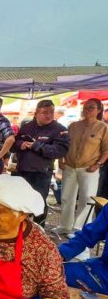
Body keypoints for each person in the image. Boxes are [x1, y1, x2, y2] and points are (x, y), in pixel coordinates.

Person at [12, 99, 69, 226]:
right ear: (37, 112)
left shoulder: (59, 129)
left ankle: (39, 230)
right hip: (22, 171)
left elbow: (60, 151)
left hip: (41, 173)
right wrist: (20, 144)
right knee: (20, 203)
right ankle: (20, 229)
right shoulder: (27, 127)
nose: (49, 115)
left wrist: (38, 146)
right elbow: (13, 144)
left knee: (39, 204)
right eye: (45, 112)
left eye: (51, 112)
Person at [55, 99, 108, 235]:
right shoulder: (73, 126)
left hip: (89, 168)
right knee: (67, 197)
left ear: (99, 110)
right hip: (70, 166)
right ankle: (65, 226)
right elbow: (65, 145)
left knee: (87, 199)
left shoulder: (103, 127)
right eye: (85, 107)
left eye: (91, 107)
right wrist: (61, 159)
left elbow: (106, 150)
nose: (87, 110)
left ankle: (79, 230)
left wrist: (98, 164)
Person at [61, 202, 108, 294]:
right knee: (48, 272)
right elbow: (88, 235)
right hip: (101, 269)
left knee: (50, 277)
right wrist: (60, 253)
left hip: (104, 277)